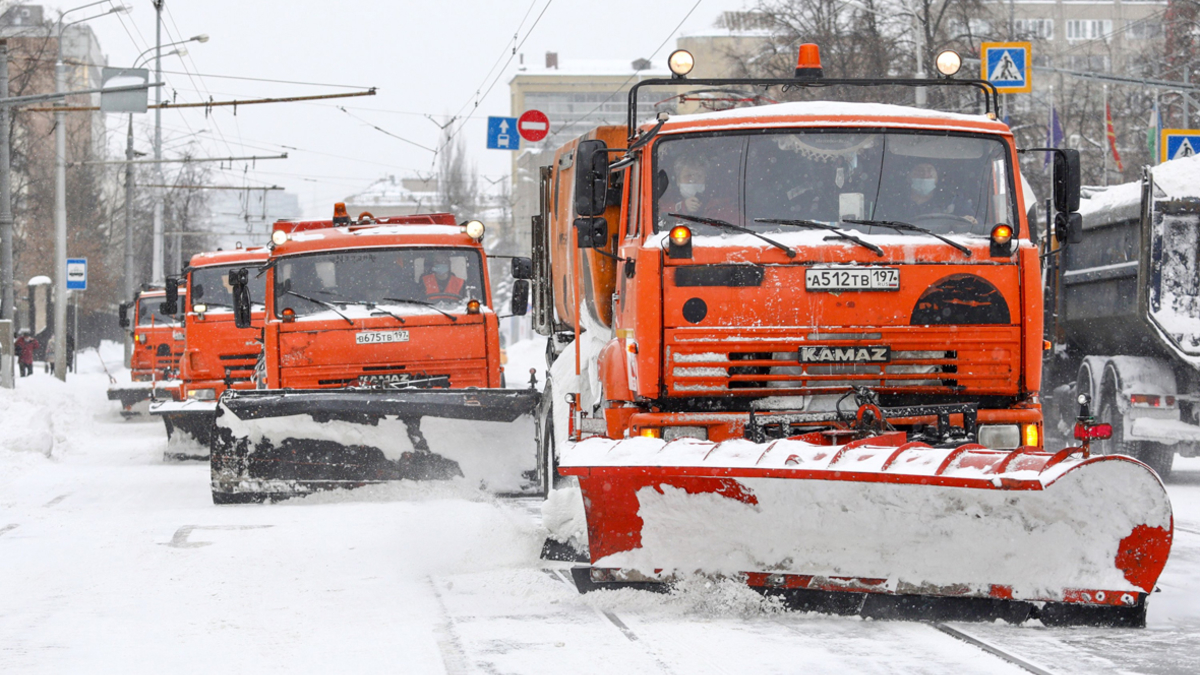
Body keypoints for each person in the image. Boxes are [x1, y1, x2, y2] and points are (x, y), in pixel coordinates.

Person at [660, 156, 737, 222]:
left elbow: (740, 228)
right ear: (678, 181)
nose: (693, 180)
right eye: (688, 176)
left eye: (699, 176)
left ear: (705, 180)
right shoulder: (664, 199)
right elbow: (658, 219)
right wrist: (682, 207)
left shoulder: (720, 204)